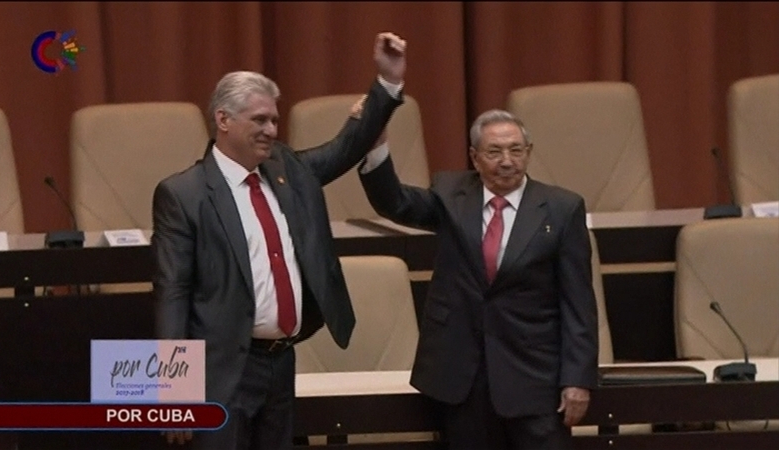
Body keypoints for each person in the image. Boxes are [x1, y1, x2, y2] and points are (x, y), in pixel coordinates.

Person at [151, 31, 407, 449]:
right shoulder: (184, 194)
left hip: (280, 363)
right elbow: (172, 293)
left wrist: (387, 83)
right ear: (223, 120)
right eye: (259, 120)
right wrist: (173, 386)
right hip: (222, 372)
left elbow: (345, 148)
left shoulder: (286, 169)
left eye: (274, 120)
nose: (271, 130)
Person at [357, 109, 598, 449]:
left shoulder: (562, 208)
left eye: (516, 150)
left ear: (529, 152)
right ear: (475, 157)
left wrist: (577, 379)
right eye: (494, 151)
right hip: (462, 377)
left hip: (534, 377)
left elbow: (578, 303)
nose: (507, 161)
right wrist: (375, 145)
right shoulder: (451, 194)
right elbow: (394, 202)